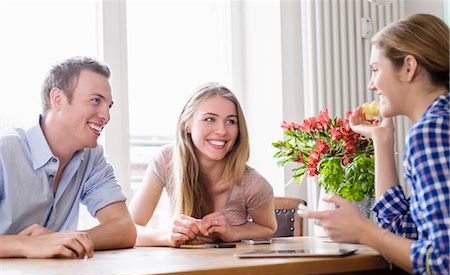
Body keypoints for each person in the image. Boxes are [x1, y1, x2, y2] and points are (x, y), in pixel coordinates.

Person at [301, 14, 449, 275]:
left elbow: (444, 262)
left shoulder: (432, 132)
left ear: (408, 67)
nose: (371, 85)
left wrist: (363, 230)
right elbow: (403, 231)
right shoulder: (439, 125)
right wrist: (382, 141)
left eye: (375, 69)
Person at [0, 57, 136, 258]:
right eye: (96, 100)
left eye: (109, 105)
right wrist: (25, 245)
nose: (106, 116)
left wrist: (69, 240)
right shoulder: (5, 151)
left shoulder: (92, 157)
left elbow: (125, 228)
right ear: (58, 99)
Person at [130, 82, 277, 247]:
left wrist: (233, 232)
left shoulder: (254, 184)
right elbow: (128, 230)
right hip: (181, 269)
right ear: (187, 125)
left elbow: (267, 227)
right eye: (210, 119)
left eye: (230, 121)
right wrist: (167, 236)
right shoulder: (166, 160)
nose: (221, 130)